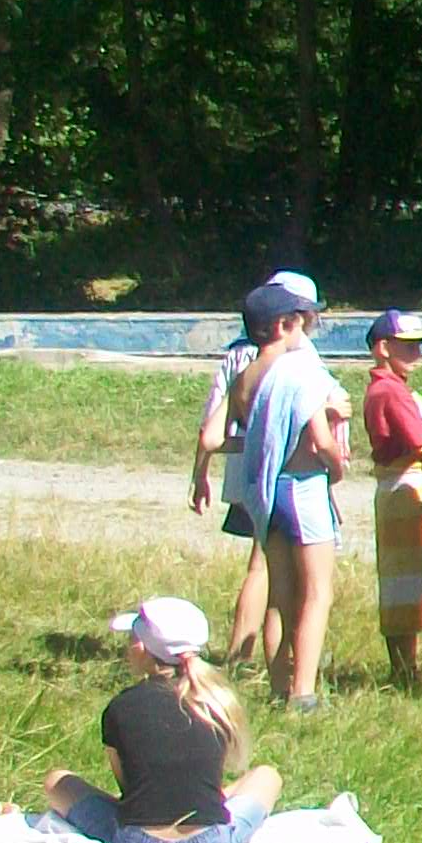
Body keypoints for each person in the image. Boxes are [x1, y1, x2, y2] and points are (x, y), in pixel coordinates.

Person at [41, 599, 280, 843]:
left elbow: (127, 787)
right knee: (267, 776)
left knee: (57, 781)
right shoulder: (215, 704)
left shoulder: (122, 706)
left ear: (141, 648)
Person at [228, 278, 349, 711]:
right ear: (283, 324)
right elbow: (320, 438)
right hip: (303, 487)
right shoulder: (299, 372)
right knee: (317, 593)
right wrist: (337, 468)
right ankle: (304, 692)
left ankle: (279, 686)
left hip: (268, 490)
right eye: (301, 320)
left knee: (279, 594)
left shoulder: (246, 376)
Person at [188, 272, 309, 669]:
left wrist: (200, 475)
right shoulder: (293, 362)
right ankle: (268, 661)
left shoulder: (239, 362)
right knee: (278, 577)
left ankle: (246, 654)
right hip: (285, 478)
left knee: (260, 567)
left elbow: (210, 434)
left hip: (245, 476)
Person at [362, 309, 422, 685]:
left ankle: (407, 666)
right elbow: (421, 438)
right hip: (403, 489)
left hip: (404, 487)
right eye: (408, 346)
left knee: (409, 577)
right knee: (403, 580)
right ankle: (403, 668)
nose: (417, 354)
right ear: (383, 348)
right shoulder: (389, 391)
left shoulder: (395, 388)